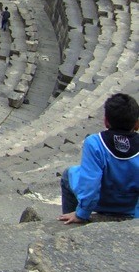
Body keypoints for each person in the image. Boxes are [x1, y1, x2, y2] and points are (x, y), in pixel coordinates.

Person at [59, 93, 138, 224]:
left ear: (106, 121)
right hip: (129, 206)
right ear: (136, 124)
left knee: (68, 174)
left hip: (100, 203)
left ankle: (70, 221)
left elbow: (90, 184)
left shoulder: (95, 143)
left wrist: (82, 214)